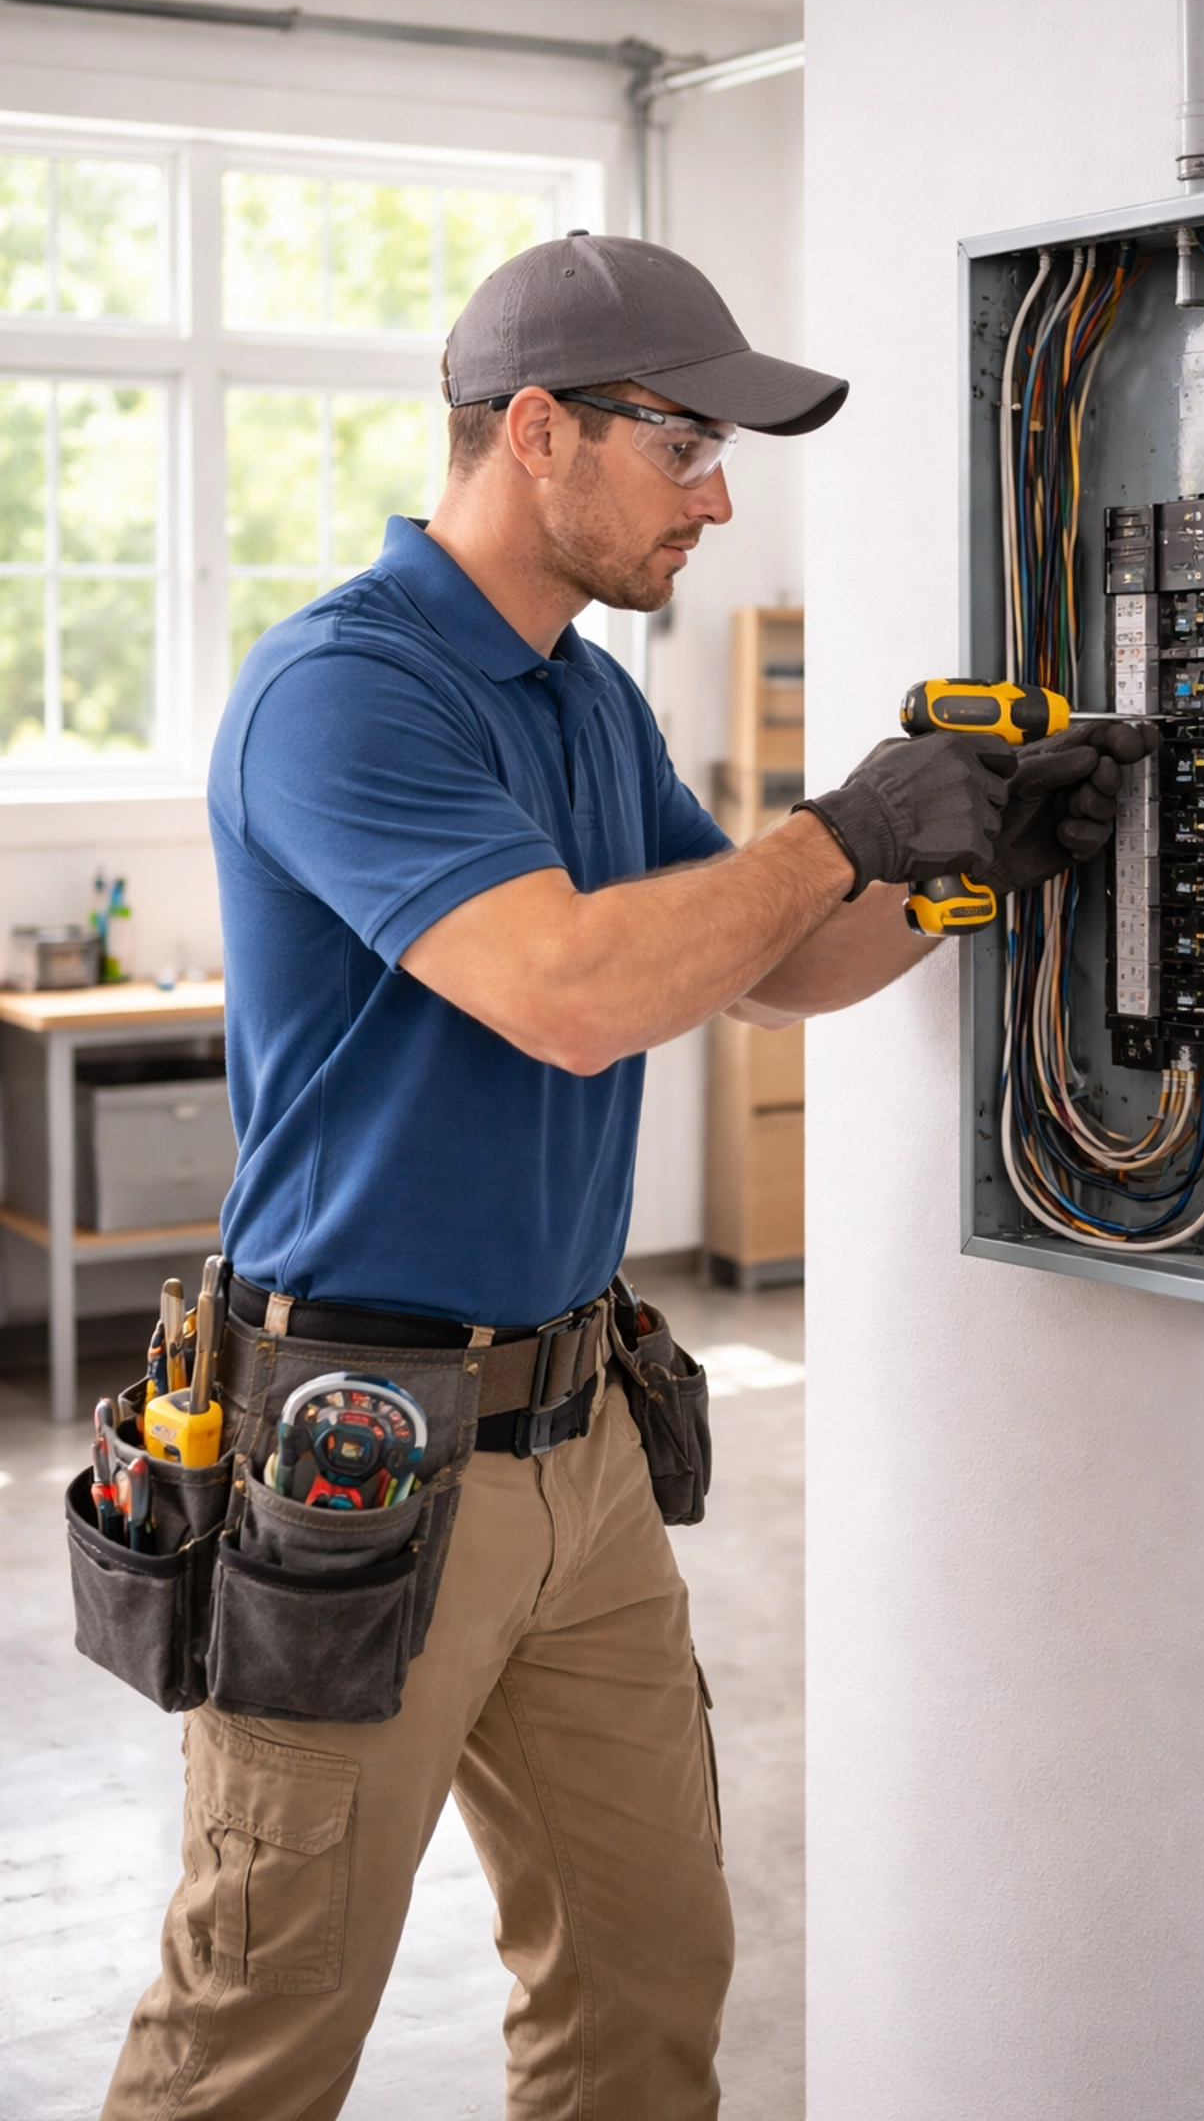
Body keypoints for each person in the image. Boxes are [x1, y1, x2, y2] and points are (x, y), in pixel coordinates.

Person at [101, 232, 1148, 2121]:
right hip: (363, 1458)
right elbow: (571, 995)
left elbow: (767, 970)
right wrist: (837, 825)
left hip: (580, 1448)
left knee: (646, 1979)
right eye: (684, 445)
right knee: (255, 2036)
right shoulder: (345, 691)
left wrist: (965, 871)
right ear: (536, 432)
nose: (721, 498)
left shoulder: (585, 698)